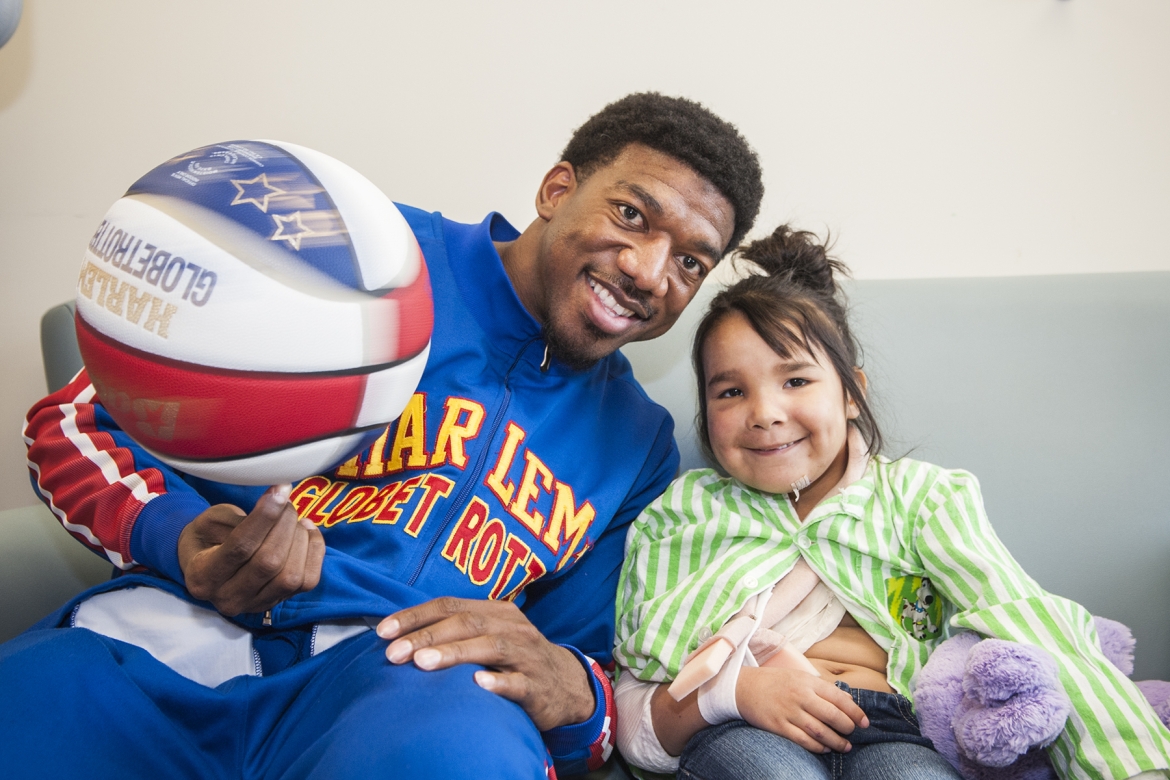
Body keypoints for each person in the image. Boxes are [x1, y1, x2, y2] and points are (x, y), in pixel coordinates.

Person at [4, 93, 764, 779]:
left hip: (401, 690)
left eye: (690, 261)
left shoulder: (635, 444)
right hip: (166, 641)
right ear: (556, 191)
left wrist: (573, 687)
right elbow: (80, 420)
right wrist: (177, 536)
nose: (647, 269)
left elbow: (583, 664)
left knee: (467, 753)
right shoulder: (366, 252)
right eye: (632, 214)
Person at [612, 226, 1170, 780]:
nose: (764, 412)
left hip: (891, 728)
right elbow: (640, 680)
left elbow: (1025, 617)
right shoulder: (684, 513)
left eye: (797, 380)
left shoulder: (922, 498)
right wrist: (740, 689)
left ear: (853, 393)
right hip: (742, 725)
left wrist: (1131, 767)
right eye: (730, 391)